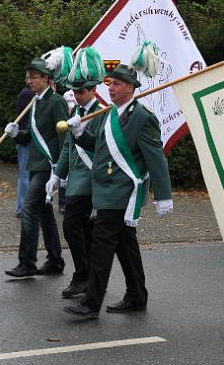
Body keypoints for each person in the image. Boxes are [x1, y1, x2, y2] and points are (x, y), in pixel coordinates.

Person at [63, 63, 173, 319]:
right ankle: (137, 295)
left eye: (117, 84)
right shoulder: (109, 114)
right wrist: (79, 133)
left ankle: (91, 303)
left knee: (100, 247)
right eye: (110, 83)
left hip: (121, 193)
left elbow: (156, 158)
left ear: (131, 88)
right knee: (125, 246)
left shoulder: (143, 117)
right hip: (105, 191)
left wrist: (164, 195)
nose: (111, 88)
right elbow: (99, 146)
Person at [3, 56, 69, 277]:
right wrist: (16, 134)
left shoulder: (56, 102)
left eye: (33, 77)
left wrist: (61, 170)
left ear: (46, 79)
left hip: (48, 166)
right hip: (35, 163)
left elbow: (64, 137)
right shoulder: (35, 102)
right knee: (44, 213)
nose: (29, 81)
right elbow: (31, 136)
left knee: (29, 208)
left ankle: (27, 263)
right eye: (28, 77)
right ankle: (55, 261)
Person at [46, 53, 103, 298]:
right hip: (76, 181)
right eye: (75, 91)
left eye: (81, 91)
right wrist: (56, 175)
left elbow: (103, 147)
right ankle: (87, 275)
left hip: (92, 179)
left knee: (71, 226)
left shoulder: (101, 113)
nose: (77, 95)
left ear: (93, 90)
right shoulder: (76, 112)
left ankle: (83, 275)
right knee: (83, 230)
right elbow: (68, 147)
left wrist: (82, 133)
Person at [15, 85, 33, 218]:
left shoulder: (30, 94)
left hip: (27, 139)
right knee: (25, 175)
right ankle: (22, 208)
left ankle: (25, 207)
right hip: (25, 140)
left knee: (27, 175)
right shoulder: (28, 94)